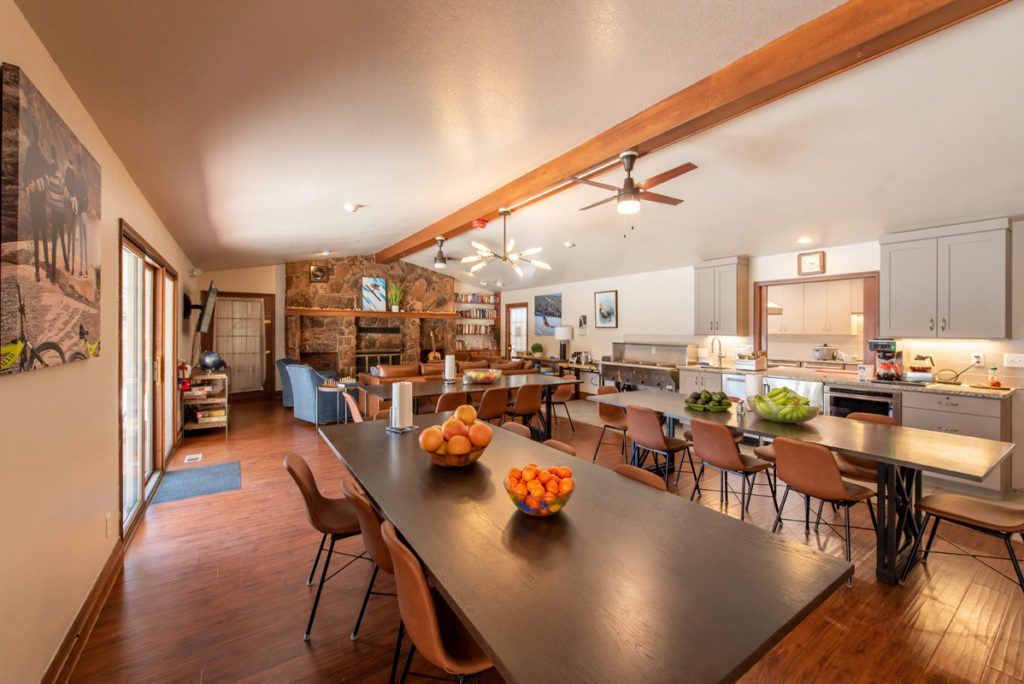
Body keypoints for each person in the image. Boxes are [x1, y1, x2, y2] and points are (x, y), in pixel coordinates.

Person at [23, 124, 50, 282]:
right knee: (38, 232)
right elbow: (26, 173)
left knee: (40, 232)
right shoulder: (31, 153)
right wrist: (28, 185)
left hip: (39, 200)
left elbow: (47, 177)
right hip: (35, 201)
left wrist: (35, 185)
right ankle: (39, 269)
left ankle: (42, 269)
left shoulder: (38, 156)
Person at [45, 143, 69, 280]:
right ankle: (65, 263)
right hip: (59, 211)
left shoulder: (49, 172)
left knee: (54, 242)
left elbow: (45, 185)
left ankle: (52, 275)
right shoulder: (59, 175)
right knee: (61, 239)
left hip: (54, 212)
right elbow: (65, 192)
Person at [64, 152, 89, 275]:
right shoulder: (73, 175)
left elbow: (82, 195)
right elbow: (79, 194)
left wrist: (79, 207)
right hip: (77, 209)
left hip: (78, 209)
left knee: (79, 236)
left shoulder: (76, 176)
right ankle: (78, 267)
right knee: (78, 236)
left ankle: (80, 268)